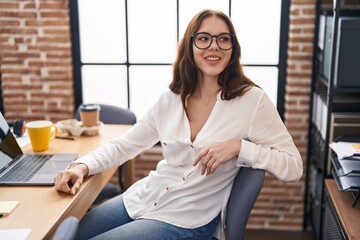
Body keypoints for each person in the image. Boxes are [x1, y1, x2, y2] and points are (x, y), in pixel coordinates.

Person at [55, 9, 303, 240]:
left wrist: (239, 147)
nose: (214, 46)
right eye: (204, 38)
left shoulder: (252, 101)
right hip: (144, 196)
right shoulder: (172, 98)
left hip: (188, 219)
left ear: (233, 47)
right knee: (67, 233)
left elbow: (293, 166)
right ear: (190, 45)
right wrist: (82, 166)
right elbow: (125, 145)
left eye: (223, 39)